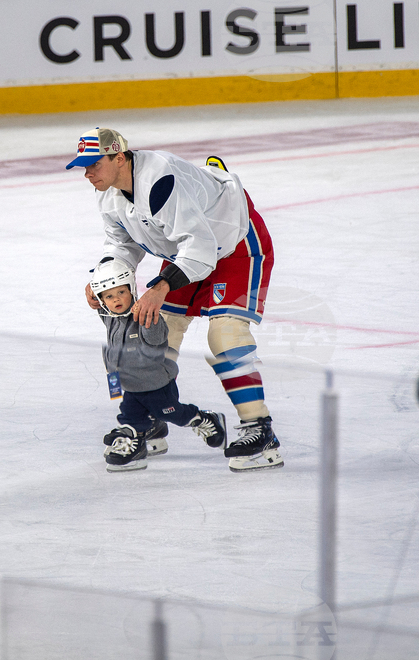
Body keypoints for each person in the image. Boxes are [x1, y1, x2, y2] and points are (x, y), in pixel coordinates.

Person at [69, 127, 283, 472]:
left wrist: (160, 287)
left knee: (225, 335)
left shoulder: (160, 181)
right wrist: (104, 280)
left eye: (94, 163)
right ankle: (148, 417)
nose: (87, 173)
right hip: (187, 248)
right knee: (152, 328)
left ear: (119, 158)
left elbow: (200, 248)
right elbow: (121, 245)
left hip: (235, 243)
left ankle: (260, 428)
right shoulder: (109, 193)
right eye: (83, 166)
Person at [91, 257, 226, 472]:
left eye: (121, 292)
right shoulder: (111, 318)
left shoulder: (145, 315)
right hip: (130, 387)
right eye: (109, 296)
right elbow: (99, 307)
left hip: (157, 386)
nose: (116, 299)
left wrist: (149, 317)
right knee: (129, 415)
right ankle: (135, 443)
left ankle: (204, 418)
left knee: (172, 414)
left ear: (132, 290)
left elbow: (158, 340)